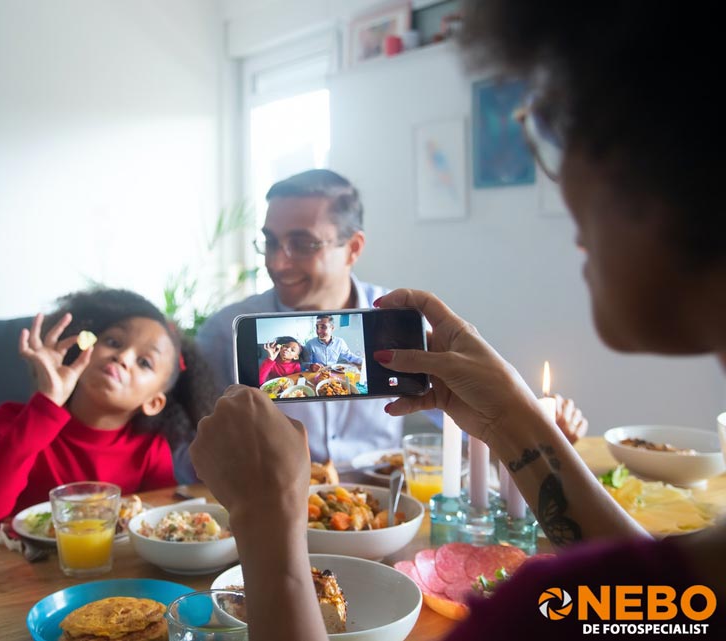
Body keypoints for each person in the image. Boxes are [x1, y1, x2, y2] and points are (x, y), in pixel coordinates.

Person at [189, 1, 726, 639]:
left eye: (554, 127)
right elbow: (674, 600)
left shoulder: (531, 614)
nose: (563, 189)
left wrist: (269, 534)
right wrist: (514, 419)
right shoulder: (228, 330)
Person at [196, 169, 436, 464]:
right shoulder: (222, 334)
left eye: (303, 244)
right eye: (270, 242)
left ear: (353, 249)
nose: (276, 263)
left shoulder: (398, 320)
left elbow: (456, 421)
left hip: (383, 498)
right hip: (271, 503)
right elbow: (195, 455)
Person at [0, 288, 216, 528]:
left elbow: (153, 528)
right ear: (87, 347)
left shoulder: (150, 451)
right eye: (114, 342)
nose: (122, 357)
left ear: (153, 402)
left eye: (144, 362)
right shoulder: (8, 421)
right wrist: (46, 404)